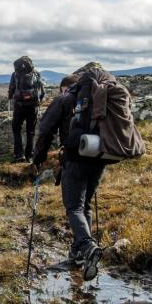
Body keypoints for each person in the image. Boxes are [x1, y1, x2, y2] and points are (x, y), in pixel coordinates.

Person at [32, 63, 110, 281]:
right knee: (84, 204)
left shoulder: (65, 99)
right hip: (100, 156)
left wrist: (38, 158)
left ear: (66, 88)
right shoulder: (99, 99)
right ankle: (78, 254)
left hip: (75, 158)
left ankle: (86, 247)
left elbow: (45, 129)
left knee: (74, 206)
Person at [7, 56, 45, 163]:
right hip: (33, 106)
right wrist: (39, 102)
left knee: (16, 128)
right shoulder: (37, 74)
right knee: (31, 131)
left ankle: (19, 155)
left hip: (19, 106)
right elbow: (42, 91)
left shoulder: (15, 74)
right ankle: (30, 156)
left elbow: (11, 88)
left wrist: (10, 97)